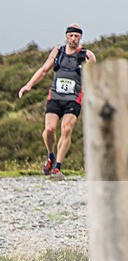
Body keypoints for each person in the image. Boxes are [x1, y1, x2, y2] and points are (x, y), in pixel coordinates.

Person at [18, 23, 96, 181]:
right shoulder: (58, 51)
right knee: (49, 129)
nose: (73, 39)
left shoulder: (87, 55)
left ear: (80, 37)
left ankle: (57, 167)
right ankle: (50, 155)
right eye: (70, 36)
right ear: (66, 36)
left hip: (74, 99)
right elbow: (44, 70)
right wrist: (29, 85)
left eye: (76, 36)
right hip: (55, 97)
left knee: (66, 129)